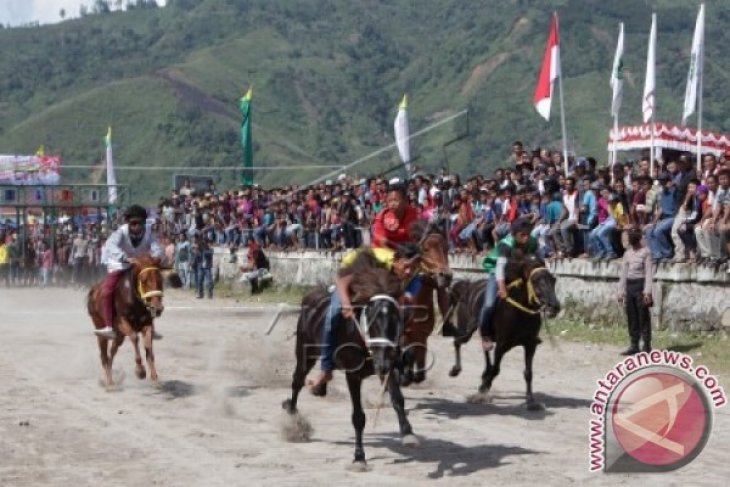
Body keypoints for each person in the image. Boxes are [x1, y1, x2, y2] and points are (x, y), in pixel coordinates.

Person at [308, 243, 422, 391]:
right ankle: (325, 369)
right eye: (406, 266)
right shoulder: (377, 264)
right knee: (334, 314)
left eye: (413, 268)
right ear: (396, 261)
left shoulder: (413, 275)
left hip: (376, 285)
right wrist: (346, 303)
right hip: (351, 273)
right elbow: (343, 281)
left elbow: (406, 304)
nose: (409, 271)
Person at [97, 205, 164, 339]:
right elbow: (111, 245)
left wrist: (154, 257)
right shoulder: (120, 232)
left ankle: (151, 325)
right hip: (120, 264)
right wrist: (125, 257)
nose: (137, 226)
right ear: (128, 222)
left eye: (140, 223)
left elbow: (157, 248)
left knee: (153, 288)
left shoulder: (149, 233)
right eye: (133, 223)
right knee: (107, 290)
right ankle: (109, 326)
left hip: (140, 265)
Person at [480, 217, 539, 351]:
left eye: (528, 234)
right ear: (514, 234)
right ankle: (485, 335)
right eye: (522, 235)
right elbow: (500, 268)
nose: (526, 238)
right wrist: (501, 288)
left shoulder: (533, 242)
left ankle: (530, 332)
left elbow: (534, 258)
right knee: (489, 304)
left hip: (517, 272)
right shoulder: (505, 245)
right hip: (498, 273)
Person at [617, 228, 654, 354]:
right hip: (630, 285)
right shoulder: (627, 254)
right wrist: (621, 291)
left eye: (632, 236)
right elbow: (623, 274)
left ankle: (647, 344)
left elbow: (649, 272)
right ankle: (634, 344)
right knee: (631, 316)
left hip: (641, 285)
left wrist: (647, 292)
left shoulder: (646, 252)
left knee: (643, 316)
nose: (629, 239)